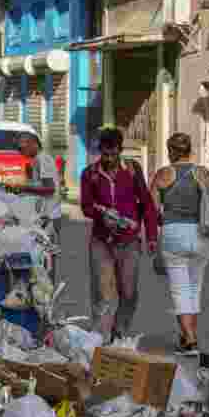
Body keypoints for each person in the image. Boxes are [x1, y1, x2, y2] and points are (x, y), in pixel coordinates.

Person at [80, 127, 159, 343]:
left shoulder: (133, 170)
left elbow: (147, 204)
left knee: (129, 292)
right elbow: (86, 206)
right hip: (101, 242)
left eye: (113, 154)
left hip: (129, 242)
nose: (109, 158)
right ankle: (101, 337)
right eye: (105, 154)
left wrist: (152, 236)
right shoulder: (90, 173)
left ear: (120, 150)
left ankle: (120, 330)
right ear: (100, 151)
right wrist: (101, 215)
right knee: (103, 292)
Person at [151, 133, 209, 356]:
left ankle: (190, 339)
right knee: (194, 288)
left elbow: (151, 207)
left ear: (170, 150)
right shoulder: (203, 173)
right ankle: (187, 336)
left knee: (180, 289)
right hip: (200, 234)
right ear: (190, 150)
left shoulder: (163, 174)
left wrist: (164, 215)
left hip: (173, 234)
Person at [16, 132, 62, 281]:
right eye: (19, 147)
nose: (20, 150)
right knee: (42, 257)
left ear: (34, 144)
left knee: (47, 257)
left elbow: (50, 189)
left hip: (49, 216)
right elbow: (37, 185)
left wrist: (23, 189)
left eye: (23, 146)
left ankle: (49, 291)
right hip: (43, 215)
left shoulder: (43, 160)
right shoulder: (36, 161)